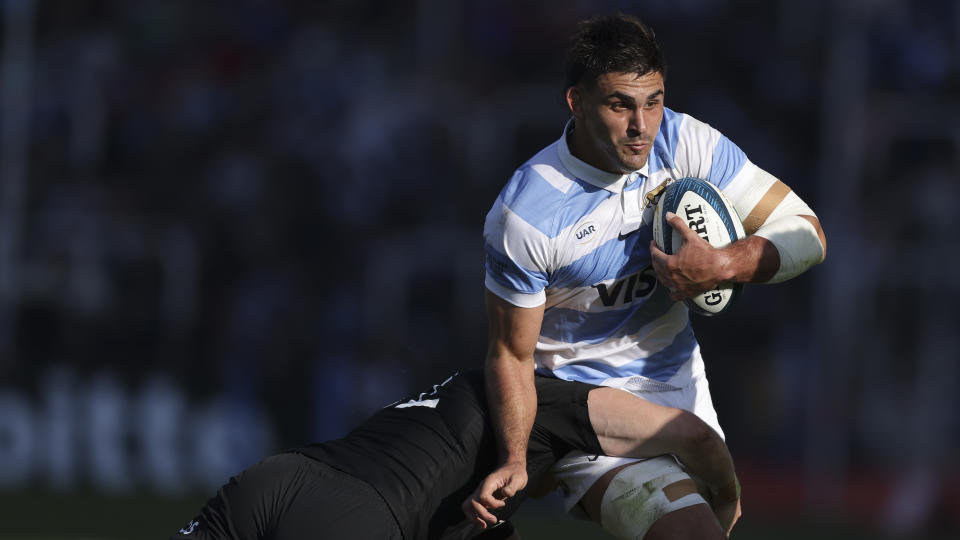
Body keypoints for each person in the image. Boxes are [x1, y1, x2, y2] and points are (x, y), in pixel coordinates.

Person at [472, 13, 827, 540]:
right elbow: (511, 353)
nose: (642, 125)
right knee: (689, 532)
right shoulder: (527, 215)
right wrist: (519, 458)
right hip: (587, 403)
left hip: (680, 387)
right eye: (620, 104)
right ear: (576, 102)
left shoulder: (686, 144)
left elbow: (809, 234)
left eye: (653, 101)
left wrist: (724, 264)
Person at [169, 368, 737, 540]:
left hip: (278, 478)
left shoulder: (456, 386)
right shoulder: (551, 396)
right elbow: (690, 435)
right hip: (361, 515)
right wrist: (727, 496)